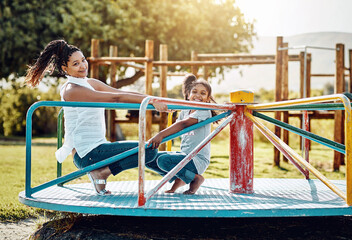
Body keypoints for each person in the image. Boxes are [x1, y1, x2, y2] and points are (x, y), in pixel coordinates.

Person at [25, 39, 168, 195]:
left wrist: (154, 99)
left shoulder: (90, 82)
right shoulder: (71, 89)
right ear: (65, 69)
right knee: (149, 150)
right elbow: (115, 99)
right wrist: (151, 101)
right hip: (87, 154)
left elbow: (119, 93)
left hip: (98, 147)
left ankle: (103, 172)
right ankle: (102, 173)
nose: (83, 66)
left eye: (83, 60)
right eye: (76, 64)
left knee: (149, 151)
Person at [146, 74, 217, 195]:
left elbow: (183, 125)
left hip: (197, 159)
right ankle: (181, 179)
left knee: (164, 161)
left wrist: (160, 135)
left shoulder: (204, 110)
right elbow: (176, 127)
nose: (198, 95)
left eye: (203, 93)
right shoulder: (185, 110)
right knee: (148, 157)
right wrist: (170, 107)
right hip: (184, 155)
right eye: (194, 92)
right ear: (188, 95)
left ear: (208, 98)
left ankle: (195, 178)